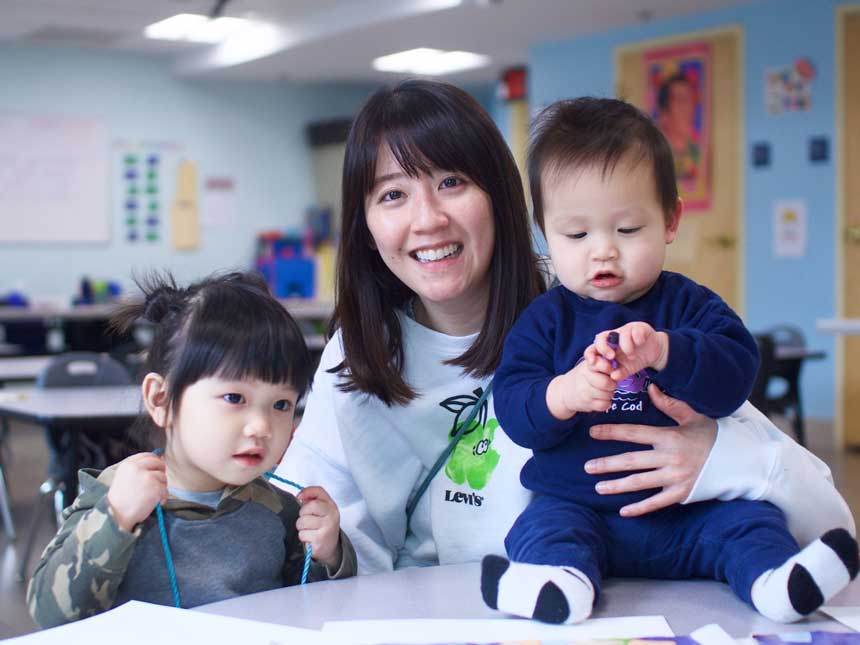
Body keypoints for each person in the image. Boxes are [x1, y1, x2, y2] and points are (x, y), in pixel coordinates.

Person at [275, 79, 854, 578]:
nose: (427, 219)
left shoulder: (595, 313)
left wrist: (721, 460)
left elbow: (827, 513)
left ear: (502, 198)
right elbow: (302, 531)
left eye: (451, 182)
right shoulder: (354, 356)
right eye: (393, 194)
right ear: (366, 223)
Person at [480, 97, 858, 625]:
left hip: (692, 510)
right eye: (577, 234)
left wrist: (666, 350)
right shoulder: (546, 320)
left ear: (671, 219)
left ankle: (777, 583)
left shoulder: (688, 305)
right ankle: (556, 583)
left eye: (628, 230)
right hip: (582, 509)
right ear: (545, 231)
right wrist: (562, 394)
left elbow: (736, 374)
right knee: (542, 525)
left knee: (750, 520)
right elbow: (515, 405)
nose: (603, 251)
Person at [28, 271, 357, 628]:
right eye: (234, 398)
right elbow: (49, 614)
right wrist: (115, 518)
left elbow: (316, 608)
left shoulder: (279, 509)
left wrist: (330, 553)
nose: (262, 427)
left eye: (281, 404)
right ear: (161, 400)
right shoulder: (116, 496)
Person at [657, 72, 700, 184]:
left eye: (690, 99)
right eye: (680, 99)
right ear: (665, 109)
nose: (688, 107)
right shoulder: (654, 152)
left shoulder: (696, 148)